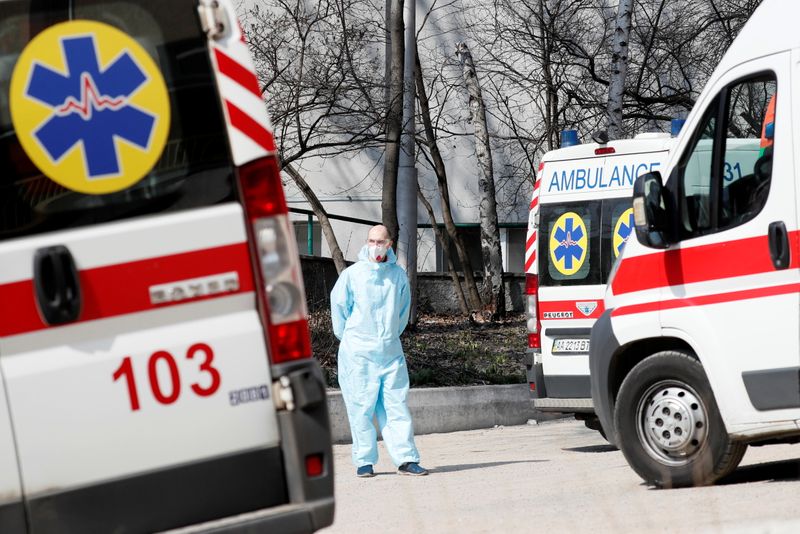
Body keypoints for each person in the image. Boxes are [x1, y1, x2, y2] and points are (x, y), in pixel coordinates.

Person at [330, 225, 428, 478]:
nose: (375, 245)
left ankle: (406, 459)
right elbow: (339, 307)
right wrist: (351, 338)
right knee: (360, 407)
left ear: (390, 244)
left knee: (396, 406)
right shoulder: (353, 275)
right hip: (358, 353)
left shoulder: (397, 276)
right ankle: (364, 461)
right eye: (371, 240)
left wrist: (388, 337)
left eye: (380, 241)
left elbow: (402, 313)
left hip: (389, 352)